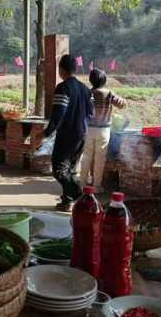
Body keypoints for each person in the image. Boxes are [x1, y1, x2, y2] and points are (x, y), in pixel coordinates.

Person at [41, 54, 94, 212]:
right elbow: (90, 113)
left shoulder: (63, 87)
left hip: (68, 135)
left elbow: (58, 114)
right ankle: (67, 201)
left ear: (61, 69)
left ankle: (81, 195)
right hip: (83, 134)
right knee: (69, 168)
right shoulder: (85, 89)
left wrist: (46, 133)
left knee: (59, 170)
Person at [79, 69, 126, 192]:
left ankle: (82, 183)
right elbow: (122, 104)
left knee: (86, 156)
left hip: (88, 129)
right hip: (103, 131)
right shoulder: (109, 94)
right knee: (100, 158)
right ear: (104, 80)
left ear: (91, 80)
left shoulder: (87, 93)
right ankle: (96, 186)